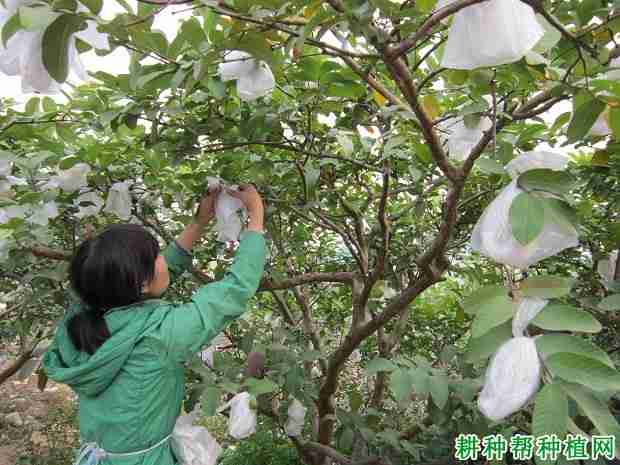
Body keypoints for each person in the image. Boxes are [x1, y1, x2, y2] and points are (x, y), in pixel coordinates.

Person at [42, 184, 266, 465]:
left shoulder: (79, 318)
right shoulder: (159, 336)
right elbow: (234, 291)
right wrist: (256, 218)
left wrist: (199, 222)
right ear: (142, 282)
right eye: (157, 254)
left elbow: (153, 277)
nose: (163, 257)